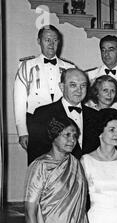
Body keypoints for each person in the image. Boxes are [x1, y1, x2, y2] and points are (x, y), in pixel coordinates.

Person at [14, 25, 75, 163]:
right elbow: (19, 101)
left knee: (63, 163)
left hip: (62, 122)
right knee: (37, 164)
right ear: (39, 41)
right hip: (36, 123)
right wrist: (22, 131)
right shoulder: (26, 66)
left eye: (55, 40)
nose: (51, 43)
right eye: (47, 39)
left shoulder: (69, 68)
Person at [28, 68, 99, 164]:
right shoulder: (43, 113)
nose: (79, 90)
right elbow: (35, 155)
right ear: (62, 87)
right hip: (56, 175)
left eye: (83, 85)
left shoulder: (95, 115)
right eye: (73, 85)